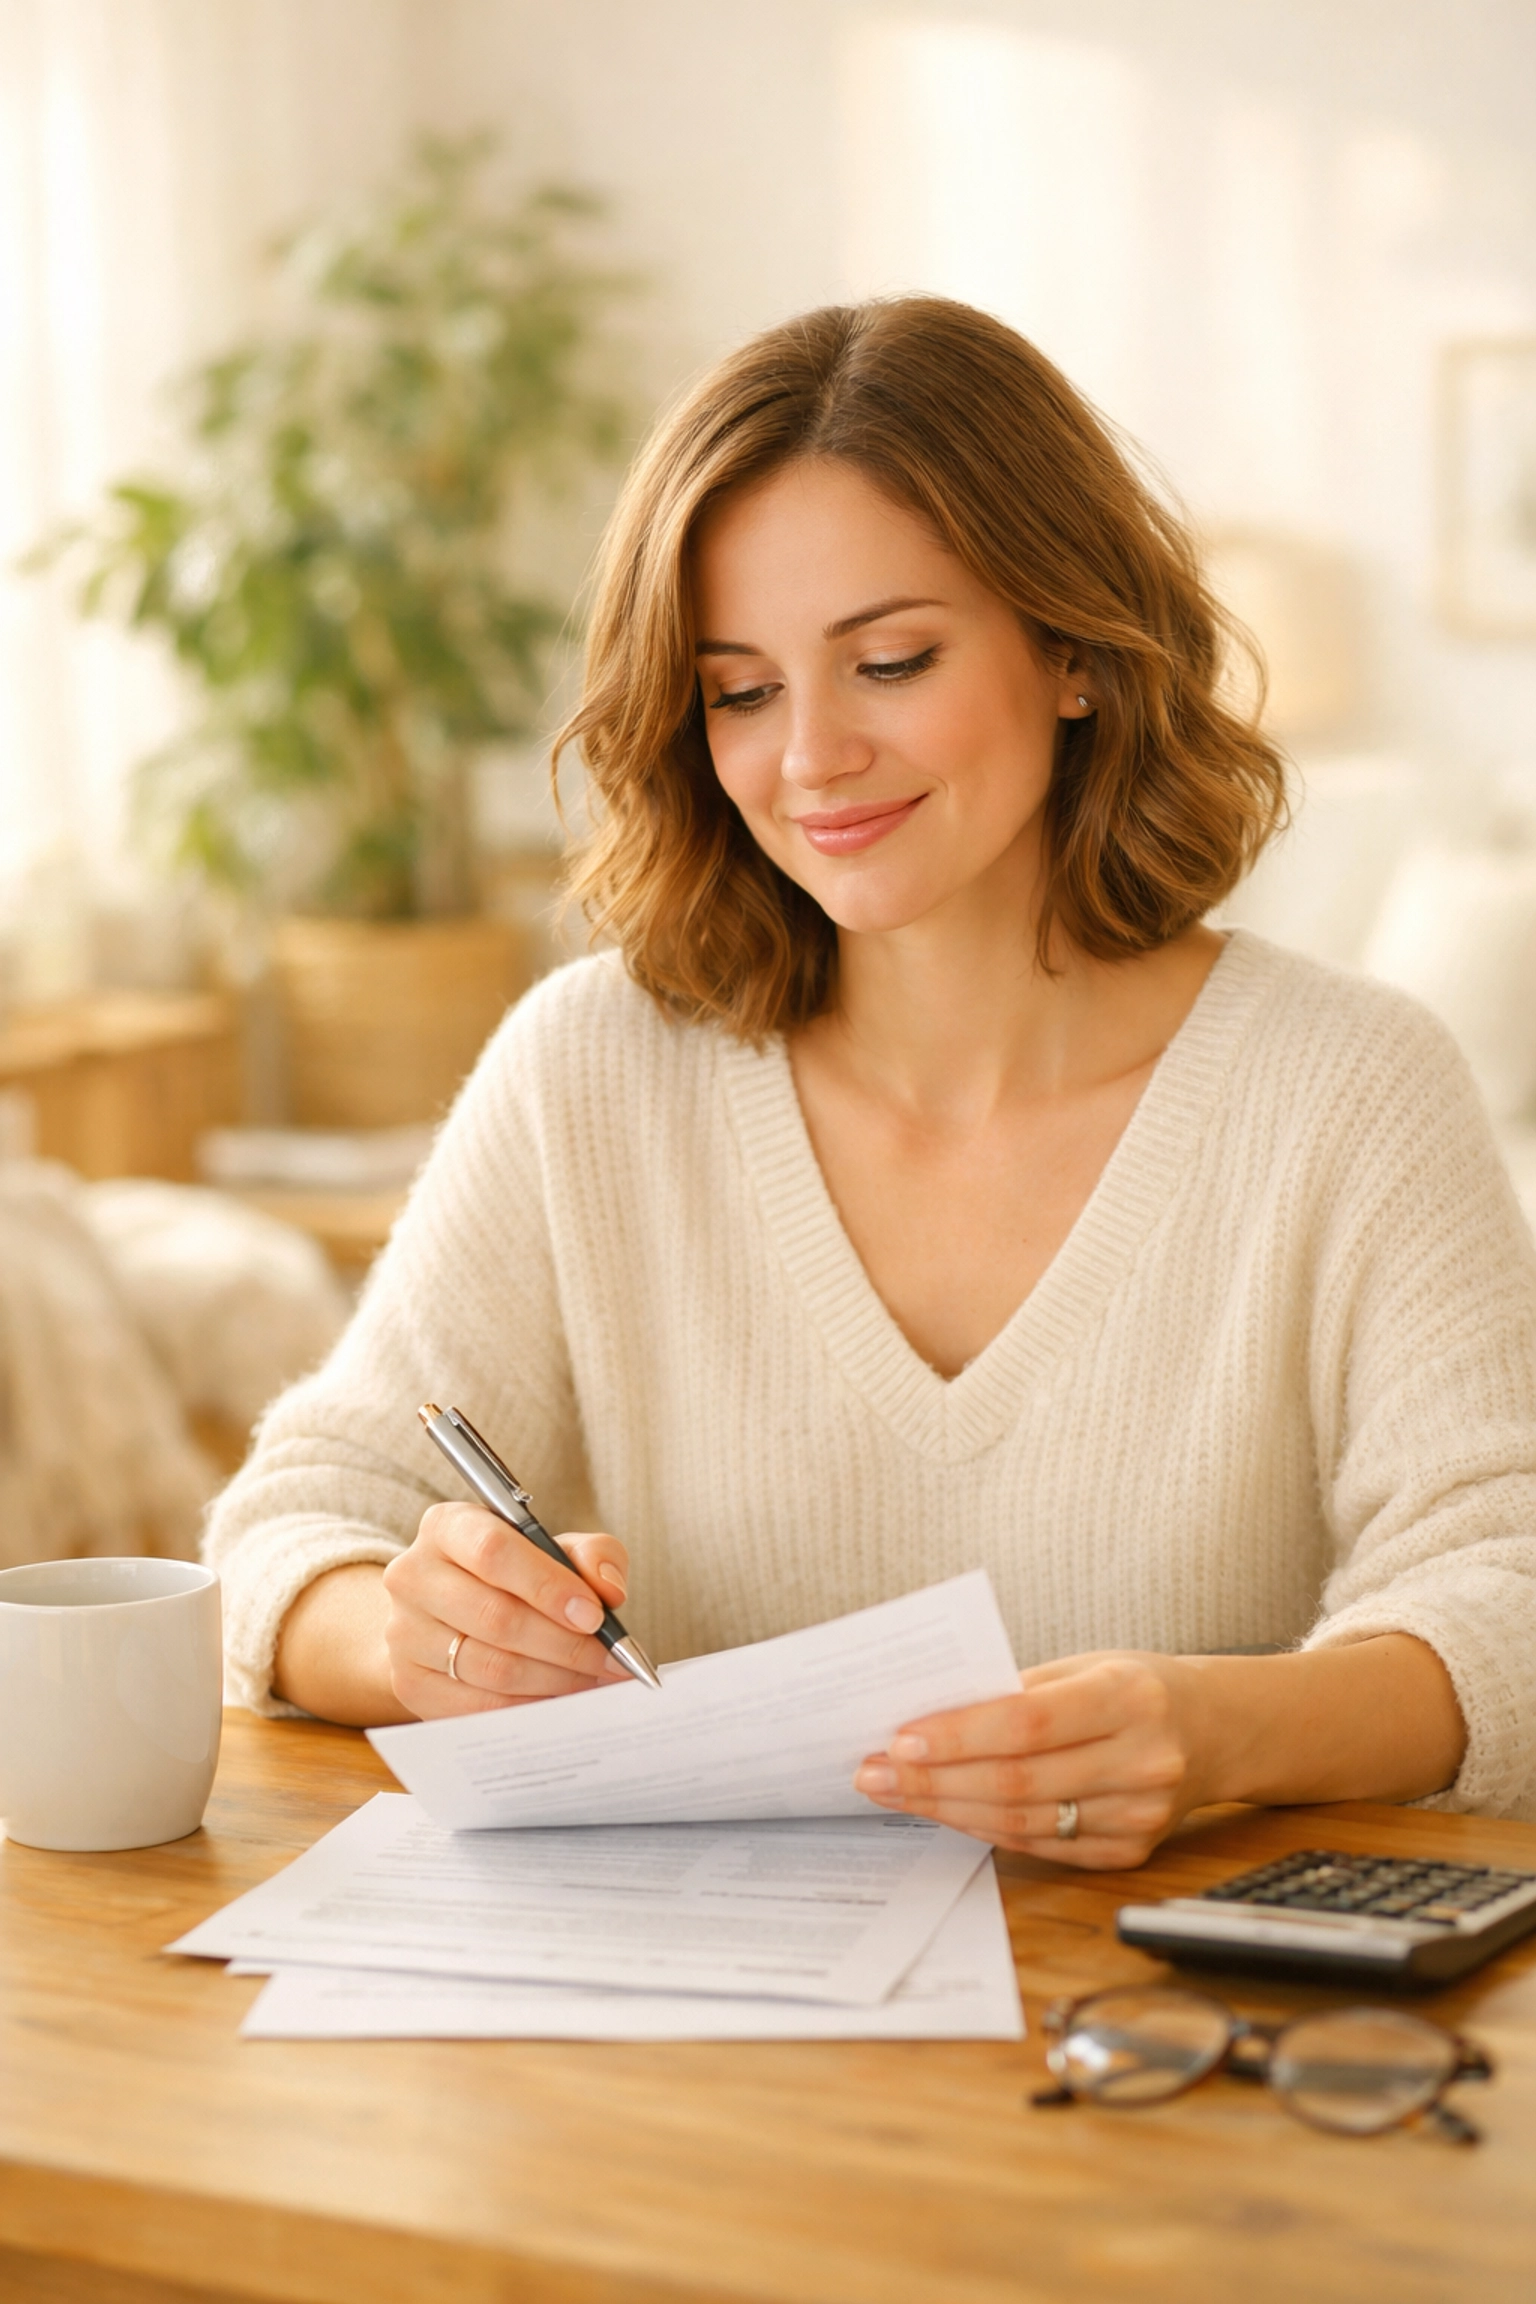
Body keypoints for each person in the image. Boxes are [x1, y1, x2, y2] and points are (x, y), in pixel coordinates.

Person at [207, 296, 1536, 1866]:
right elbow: (285, 1530)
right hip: (681, 2031)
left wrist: (1223, 1733)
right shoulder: (590, 1073)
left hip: (1165, 2042)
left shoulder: (1351, 1092)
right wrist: (418, 1640)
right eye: (741, 691)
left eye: (890, 660)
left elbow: (1504, 1588)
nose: (812, 756)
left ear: (1073, 653)